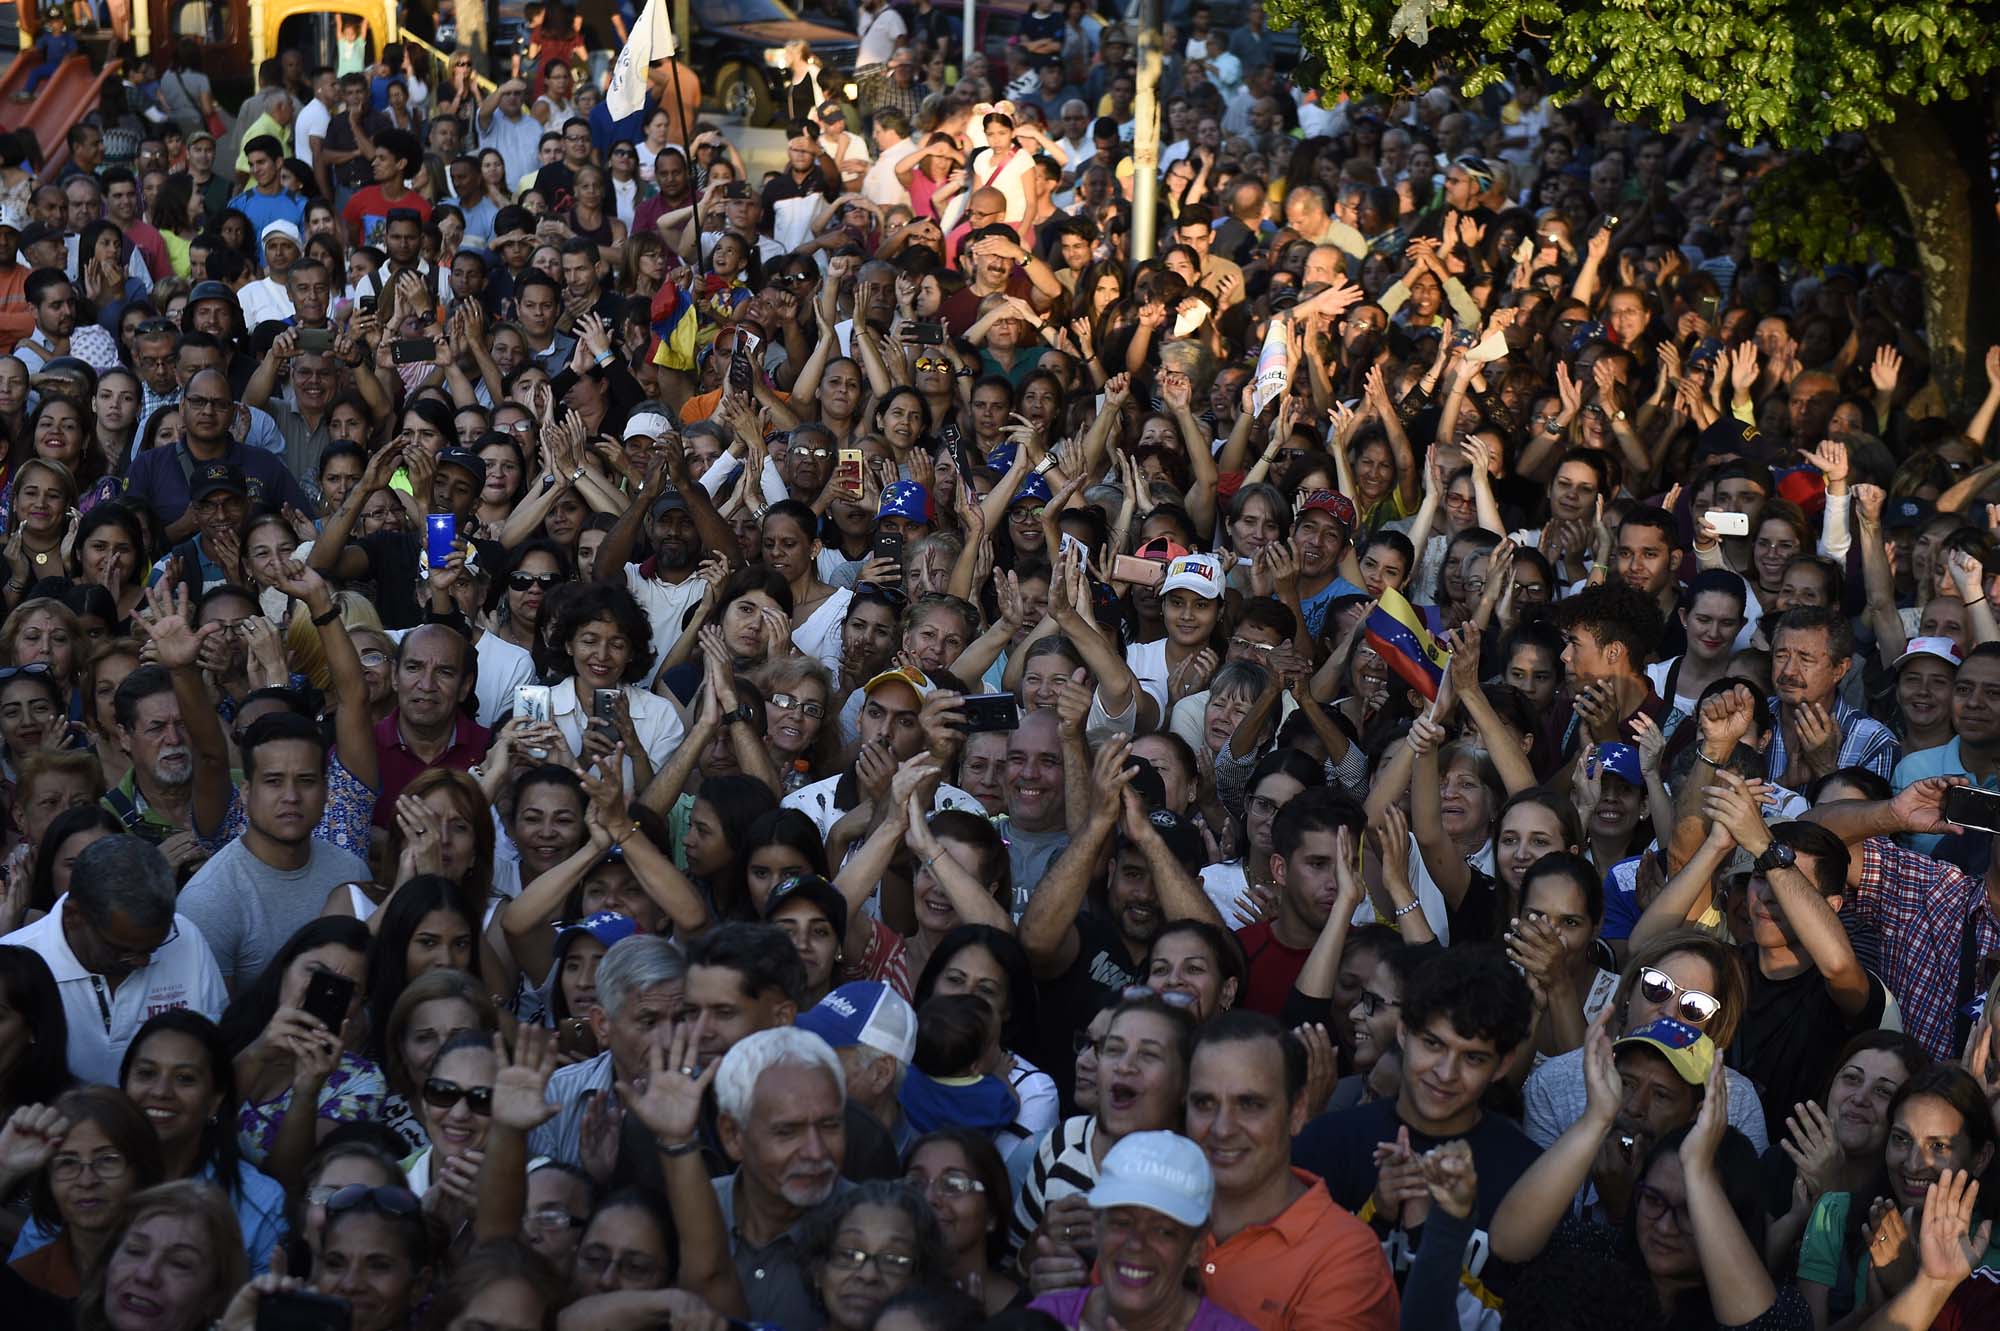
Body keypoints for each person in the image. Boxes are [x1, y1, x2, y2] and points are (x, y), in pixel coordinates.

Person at [1185, 1011, 1399, 1330]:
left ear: (1297, 1111)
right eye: (1204, 1103)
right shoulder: (1154, 1209)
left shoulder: (1345, 1259)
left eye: (1250, 1104)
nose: (1222, 1128)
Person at [0, 836, 225, 1086]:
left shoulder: (184, 937)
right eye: (123, 950)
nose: (143, 962)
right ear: (74, 916)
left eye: (154, 947)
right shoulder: (13, 966)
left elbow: (214, 1053)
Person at [1027, 1130, 1257, 1331]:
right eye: (1122, 1222)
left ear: (1195, 1248)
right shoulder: (1043, 1320)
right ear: (1096, 1226)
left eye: (1163, 1231)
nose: (1136, 1244)